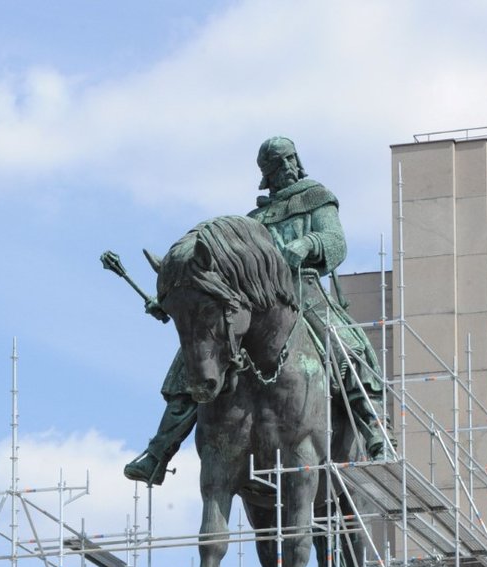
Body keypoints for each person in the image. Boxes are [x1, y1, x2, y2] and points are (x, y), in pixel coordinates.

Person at [120, 136, 386, 486]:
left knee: (348, 346)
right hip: (255, 302)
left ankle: (376, 431)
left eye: (290, 160)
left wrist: (307, 244)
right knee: (196, 354)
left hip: (303, 291)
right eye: (278, 165)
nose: (288, 168)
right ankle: (159, 451)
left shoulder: (317, 198)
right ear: (267, 174)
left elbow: (335, 242)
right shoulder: (255, 220)